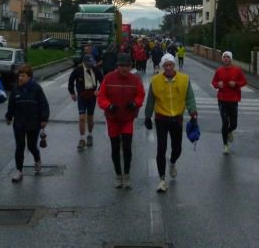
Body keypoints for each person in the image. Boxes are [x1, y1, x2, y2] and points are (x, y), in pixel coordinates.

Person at [144, 53, 198, 193]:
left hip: (177, 119)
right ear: (162, 66)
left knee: (177, 149)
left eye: (170, 65)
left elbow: (190, 98)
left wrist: (193, 112)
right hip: (161, 118)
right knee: (161, 149)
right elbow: (150, 100)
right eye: (166, 65)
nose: (168, 68)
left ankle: (172, 162)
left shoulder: (184, 79)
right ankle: (162, 179)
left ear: (174, 65)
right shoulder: (155, 80)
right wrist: (147, 116)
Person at [96, 53, 145, 189]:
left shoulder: (135, 80)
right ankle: (118, 174)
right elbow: (101, 96)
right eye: (121, 66)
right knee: (115, 147)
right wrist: (108, 105)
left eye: (127, 66)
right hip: (112, 119)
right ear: (117, 66)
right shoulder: (108, 78)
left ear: (130, 66)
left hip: (127, 119)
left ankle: (127, 174)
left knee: (127, 147)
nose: (124, 68)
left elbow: (140, 94)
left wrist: (135, 103)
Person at [5, 64, 50, 182]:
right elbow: (11, 105)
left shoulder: (36, 88)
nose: (20, 78)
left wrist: (44, 119)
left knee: (31, 145)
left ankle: (37, 158)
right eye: (19, 75)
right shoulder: (16, 89)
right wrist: (9, 116)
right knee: (20, 146)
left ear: (29, 77)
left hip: (33, 122)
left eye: (23, 76)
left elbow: (43, 104)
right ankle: (19, 171)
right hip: (19, 123)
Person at [211, 51, 247, 155]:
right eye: (224, 57)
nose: (226, 58)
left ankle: (230, 131)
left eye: (228, 57)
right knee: (225, 122)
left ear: (231, 59)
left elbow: (244, 82)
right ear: (222, 59)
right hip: (222, 100)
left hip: (233, 100)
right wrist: (218, 85)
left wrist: (235, 84)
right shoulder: (219, 71)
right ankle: (225, 145)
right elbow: (213, 82)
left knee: (234, 124)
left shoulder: (237, 70)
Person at [68, 54, 104, 149]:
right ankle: (82, 139)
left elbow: (103, 81)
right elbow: (71, 81)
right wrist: (72, 93)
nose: (90, 64)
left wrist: (99, 90)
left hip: (92, 96)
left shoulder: (95, 70)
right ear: (84, 62)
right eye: (88, 63)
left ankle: (90, 135)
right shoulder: (78, 70)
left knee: (90, 117)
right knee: (82, 118)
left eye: (91, 63)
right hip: (82, 96)